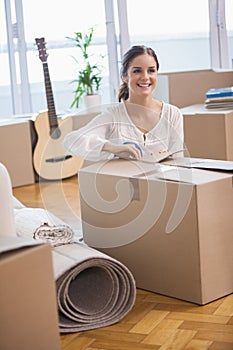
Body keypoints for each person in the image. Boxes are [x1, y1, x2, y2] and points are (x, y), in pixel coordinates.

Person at [63, 45, 184, 162]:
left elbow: (179, 160)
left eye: (151, 71)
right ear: (125, 76)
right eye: (137, 71)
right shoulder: (113, 116)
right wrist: (112, 147)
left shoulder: (172, 114)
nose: (145, 77)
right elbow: (71, 140)